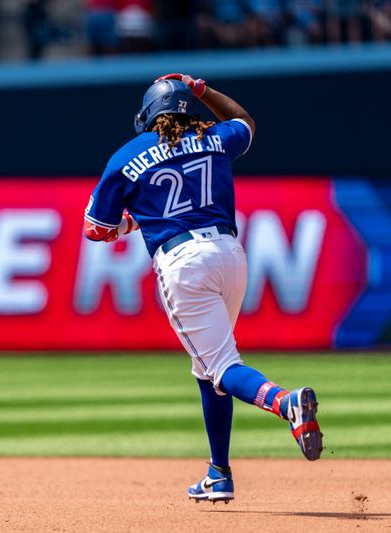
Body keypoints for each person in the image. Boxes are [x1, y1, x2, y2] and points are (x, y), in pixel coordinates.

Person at [82, 73, 323, 503]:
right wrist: (204, 91)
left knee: (222, 367)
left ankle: (286, 403)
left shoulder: (125, 158)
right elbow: (246, 122)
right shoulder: (215, 137)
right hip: (231, 255)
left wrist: (130, 221)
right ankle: (219, 473)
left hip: (184, 264)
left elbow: (94, 230)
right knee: (208, 369)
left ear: (149, 115)